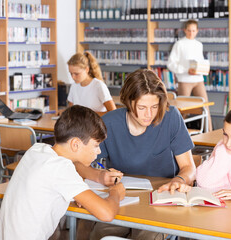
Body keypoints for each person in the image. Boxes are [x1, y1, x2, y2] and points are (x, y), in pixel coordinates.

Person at [75, 69, 196, 239]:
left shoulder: (171, 117)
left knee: (148, 236)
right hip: (121, 197)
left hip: (161, 199)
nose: (149, 114)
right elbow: (78, 163)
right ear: (128, 102)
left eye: (154, 107)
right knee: (102, 234)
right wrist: (99, 176)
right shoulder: (109, 122)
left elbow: (189, 167)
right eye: (142, 107)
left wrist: (179, 180)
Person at [0, 105, 126, 240]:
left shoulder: (37, 150)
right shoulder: (61, 168)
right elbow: (107, 214)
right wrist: (116, 193)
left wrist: (82, 194)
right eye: (96, 145)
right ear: (75, 144)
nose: (98, 151)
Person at [167, 19, 212, 131]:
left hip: (198, 80)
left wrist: (203, 69)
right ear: (185, 30)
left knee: (205, 107)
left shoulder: (199, 45)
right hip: (185, 80)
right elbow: (170, 64)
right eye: (189, 30)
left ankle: (210, 133)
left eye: (193, 30)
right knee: (183, 110)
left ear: (197, 31)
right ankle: (176, 134)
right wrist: (185, 70)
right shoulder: (179, 44)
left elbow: (200, 62)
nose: (191, 33)